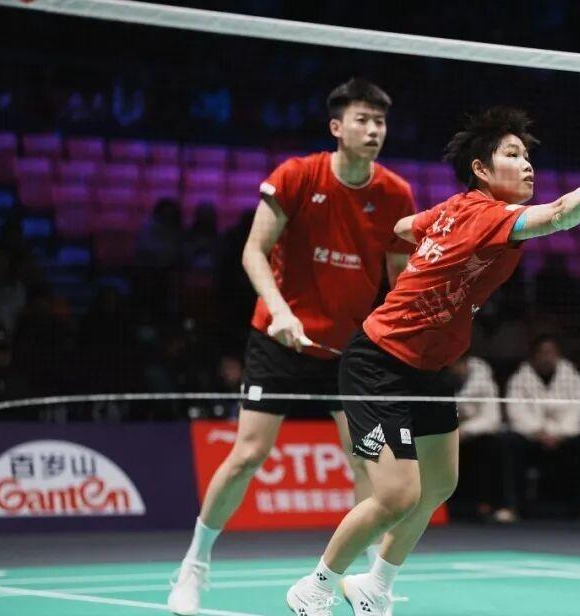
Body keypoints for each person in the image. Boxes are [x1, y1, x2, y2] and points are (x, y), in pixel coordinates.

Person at [283, 106, 580, 615]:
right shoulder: (487, 215)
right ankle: (315, 587)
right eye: (513, 155)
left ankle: (375, 586)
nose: (527, 165)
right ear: (481, 168)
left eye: (528, 156)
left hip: (428, 369)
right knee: (397, 495)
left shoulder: (453, 209)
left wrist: (412, 266)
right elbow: (561, 215)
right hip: (380, 363)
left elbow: (403, 226)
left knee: (440, 483)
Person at [168, 78, 415, 616]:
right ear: (336, 127)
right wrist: (280, 311)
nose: (374, 130)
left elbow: (398, 276)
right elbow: (254, 251)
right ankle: (194, 565)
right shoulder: (298, 176)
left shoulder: (395, 193)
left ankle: (362, 583)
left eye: (380, 122)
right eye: (362, 120)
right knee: (248, 455)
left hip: (348, 349)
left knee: (365, 464)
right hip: (280, 338)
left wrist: (400, 334)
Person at [505, 335, 580, 522]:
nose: (546, 357)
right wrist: (537, 432)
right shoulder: (519, 379)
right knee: (507, 442)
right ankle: (509, 506)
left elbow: (578, 409)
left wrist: (559, 433)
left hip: (565, 437)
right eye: (542, 353)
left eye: (551, 352)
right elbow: (515, 410)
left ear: (558, 355)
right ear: (533, 356)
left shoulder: (574, 378)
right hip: (532, 437)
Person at [446, 354, 517, 521]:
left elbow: (492, 419)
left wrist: (464, 431)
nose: (451, 368)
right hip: (446, 435)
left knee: (496, 445)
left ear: (463, 362)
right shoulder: (440, 379)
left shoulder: (484, 382)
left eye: (454, 363)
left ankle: (496, 505)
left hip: (474, 436)